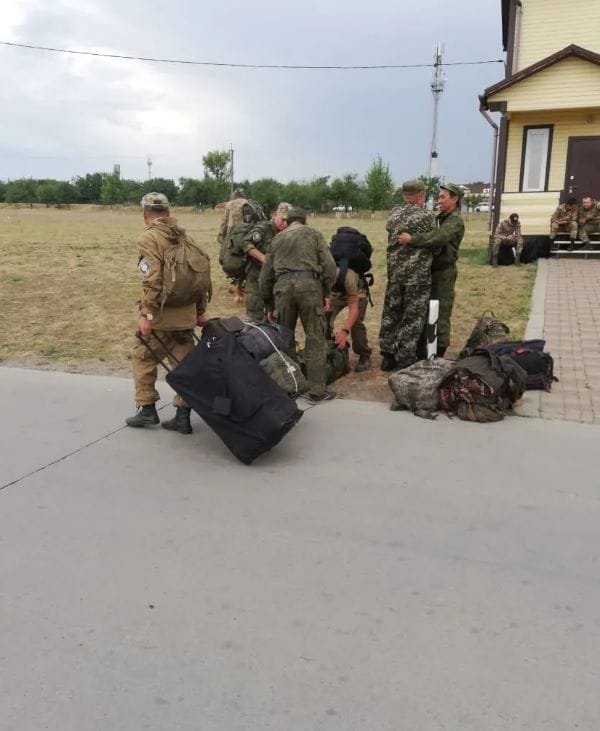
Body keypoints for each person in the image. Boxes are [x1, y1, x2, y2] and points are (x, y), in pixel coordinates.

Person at [126, 192, 210, 434]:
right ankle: (182, 416)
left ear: (145, 214)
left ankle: (147, 409)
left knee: (143, 357)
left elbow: (152, 279)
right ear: (168, 212)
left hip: (161, 317)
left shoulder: (149, 238)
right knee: (184, 365)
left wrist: (146, 314)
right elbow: (200, 278)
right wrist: (199, 311)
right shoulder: (184, 236)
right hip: (186, 316)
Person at [259, 206, 337, 402]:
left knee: (284, 337)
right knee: (315, 337)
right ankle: (317, 391)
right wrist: (326, 292)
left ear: (287, 222)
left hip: (282, 289)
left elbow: (265, 277)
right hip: (309, 287)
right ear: (305, 220)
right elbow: (330, 267)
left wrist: (269, 305)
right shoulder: (314, 234)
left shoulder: (277, 239)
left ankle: (291, 386)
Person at [397, 183, 465, 358]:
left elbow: (439, 237)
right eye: (438, 197)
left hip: (443, 273)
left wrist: (412, 239)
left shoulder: (455, 220)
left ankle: (438, 352)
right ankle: (424, 350)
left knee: (440, 311)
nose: (438, 200)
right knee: (426, 311)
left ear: (455, 199)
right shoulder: (441, 217)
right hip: (430, 271)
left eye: (442, 197)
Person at [379, 179, 436, 371]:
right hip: (417, 276)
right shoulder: (426, 216)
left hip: (395, 273)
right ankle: (405, 358)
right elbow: (434, 242)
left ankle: (387, 355)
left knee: (391, 313)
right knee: (412, 317)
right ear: (419, 196)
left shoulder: (394, 214)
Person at [237, 201, 292, 321]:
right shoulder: (263, 229)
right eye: (282, 219)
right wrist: (263, 258)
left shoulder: (288, 233)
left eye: (288, 221)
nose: (285, 223)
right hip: (256, 276)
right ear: (275, 215)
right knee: (255, 315)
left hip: (275, 279)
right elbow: (245, 243)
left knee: (275, 315)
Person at [328, 261, 373, 372]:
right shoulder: (322, 276)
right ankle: (329, 348)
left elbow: (354, 309)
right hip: (335, 293)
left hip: (357, 292)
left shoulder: (349, 279)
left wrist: (344, 331)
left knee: (356, 323)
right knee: (324, 319)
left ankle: (364, 354)